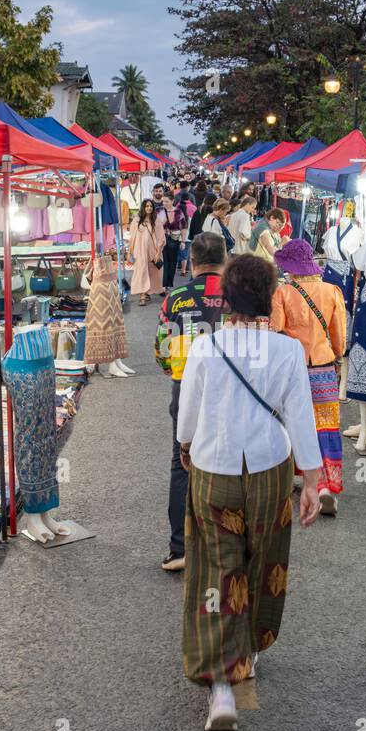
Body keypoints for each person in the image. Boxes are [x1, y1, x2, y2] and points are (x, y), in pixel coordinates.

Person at [176, 255, 322, 731]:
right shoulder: (285, 352)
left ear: (225, 298)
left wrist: (185, 446)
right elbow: (301, 416)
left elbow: (188, 416)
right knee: (265, 561)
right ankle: (250, 651)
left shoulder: (204, 347)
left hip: (214, 466)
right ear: (269, 297)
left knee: (219, 569)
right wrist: (314, 483)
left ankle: (223, 687)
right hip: (269, 469)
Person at [156, 232, 229, 572]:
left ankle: (179, 548)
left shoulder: (175, 298)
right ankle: (223, 548)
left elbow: (161, 349)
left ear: (194, 261)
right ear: (224, 258)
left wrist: (175, 367)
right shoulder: (237, 295)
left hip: (185, 386)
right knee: (228, 461)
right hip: (230, 388)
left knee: (181, 462)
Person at [270, 238, 347, 514]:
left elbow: (275, 331)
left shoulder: (282, 293)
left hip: (292, 368)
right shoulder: (332, 291)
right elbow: (339, 336)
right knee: (325, 426)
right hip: (324, 367)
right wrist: (335, 354)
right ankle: (325, 486)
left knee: (289, 423)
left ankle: (288, 478)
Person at [128, 199, 165, 305]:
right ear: (143, 208)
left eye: (151, 206)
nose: (149, 208)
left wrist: (158, 253)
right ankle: (143, 294)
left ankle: (148, 292)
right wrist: (130, 252)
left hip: (153, 250)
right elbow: (132, 238)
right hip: (139, 251)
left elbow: (161, 238)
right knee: (141, 271)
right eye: (147, 206)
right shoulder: (136, 220)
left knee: (152, 271)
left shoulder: (156, 220)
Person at [161, 192, 186, 292]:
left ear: (172, 201)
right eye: (163, 201)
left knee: (172, 263)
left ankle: (167, 284)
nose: (164, 203)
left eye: (167, 201)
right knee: (164, 262)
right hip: (161, 240)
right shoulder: (159, 211)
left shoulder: (179, 212)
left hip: (174, 240)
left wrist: (183, 241)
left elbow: (184, 227)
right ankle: (162, 285)